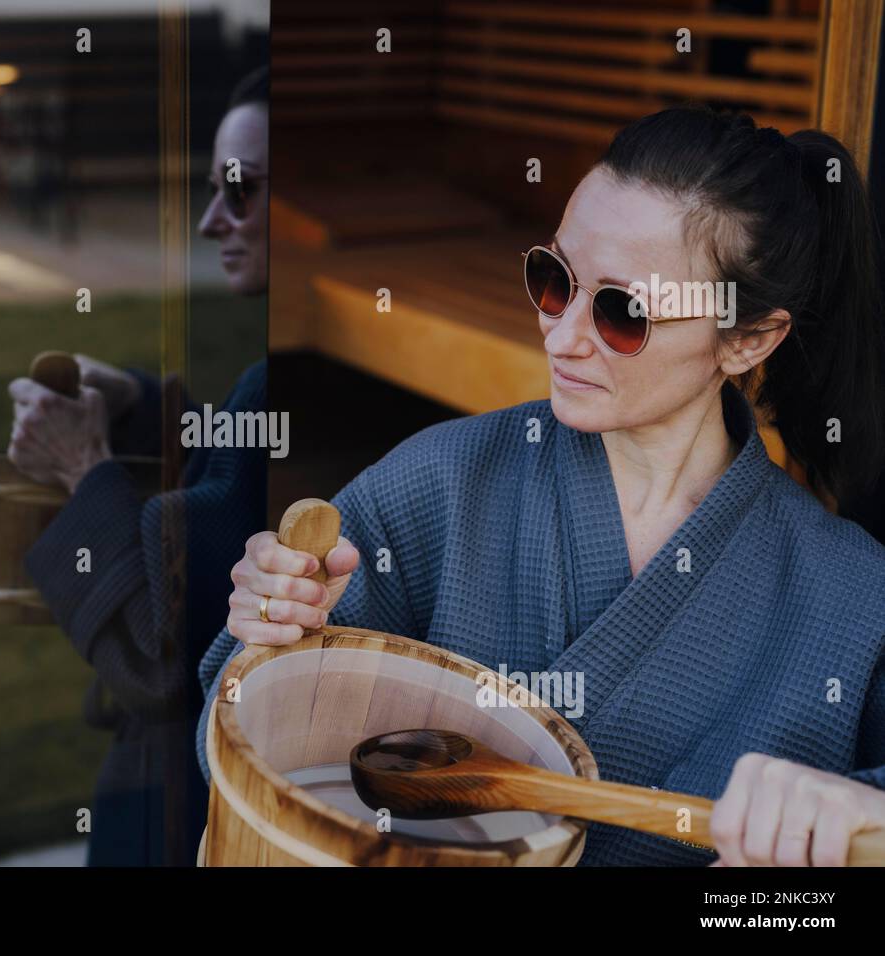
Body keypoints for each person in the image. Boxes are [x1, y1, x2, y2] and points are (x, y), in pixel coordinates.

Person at [199, 106, 885, 867]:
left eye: (625, 312)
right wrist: (270, 640)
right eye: (553, 279)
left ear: (748, 337)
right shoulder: (445, 480)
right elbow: (236, 744)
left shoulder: (852, 598)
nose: (561, 336)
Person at [7, 66, 269, 866]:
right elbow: (250, 476)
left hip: (192, 811)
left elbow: (165, 662)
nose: (208, 220)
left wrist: (85, 468)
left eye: (240, 190)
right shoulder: (312, 364)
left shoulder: (280, 380)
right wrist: (142, 405)